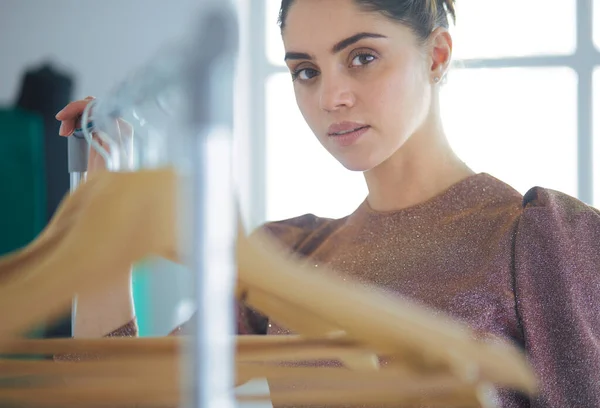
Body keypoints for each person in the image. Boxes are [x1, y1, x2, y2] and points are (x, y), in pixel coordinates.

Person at [54, 0, 600, 407]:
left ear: (436, 55)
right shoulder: (286, 256)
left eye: (362, 57)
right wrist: (106, 200)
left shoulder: (540, 241)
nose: (329, 97)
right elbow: (112, 391)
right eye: (306, 71)